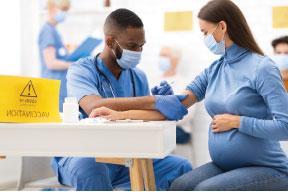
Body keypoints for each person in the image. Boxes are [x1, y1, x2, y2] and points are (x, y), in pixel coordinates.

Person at [91, 0, 288, 190]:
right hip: (226, 165)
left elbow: (285, 127)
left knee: (205, 189)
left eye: (205, 32)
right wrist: (119, 114)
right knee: (180, 185)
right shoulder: (215, 69)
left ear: (222, 27)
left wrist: (238, 122)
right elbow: (176, 105)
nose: (204, 38)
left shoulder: (262, 68)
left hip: (267, 168)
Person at [51, 8, 192, 191]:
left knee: (181, 167)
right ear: (110, 41)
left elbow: (144, 118)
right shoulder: (82, 70)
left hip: (124, 156)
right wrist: (152, 101)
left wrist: (159, 103)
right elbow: (92, 106)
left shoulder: (137, 76)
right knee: (93, 169)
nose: (139, 51)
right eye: (133, 46)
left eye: (142, 45)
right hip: (83, 155)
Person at [38, 0, 72, 112]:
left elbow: (59, 55)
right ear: (53, 9)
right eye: (63, 10)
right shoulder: (48, 31)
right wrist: (74, 64)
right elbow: (51, 63)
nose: (64, 14)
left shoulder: (53, 31)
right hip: (53, 87)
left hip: (59, 86)